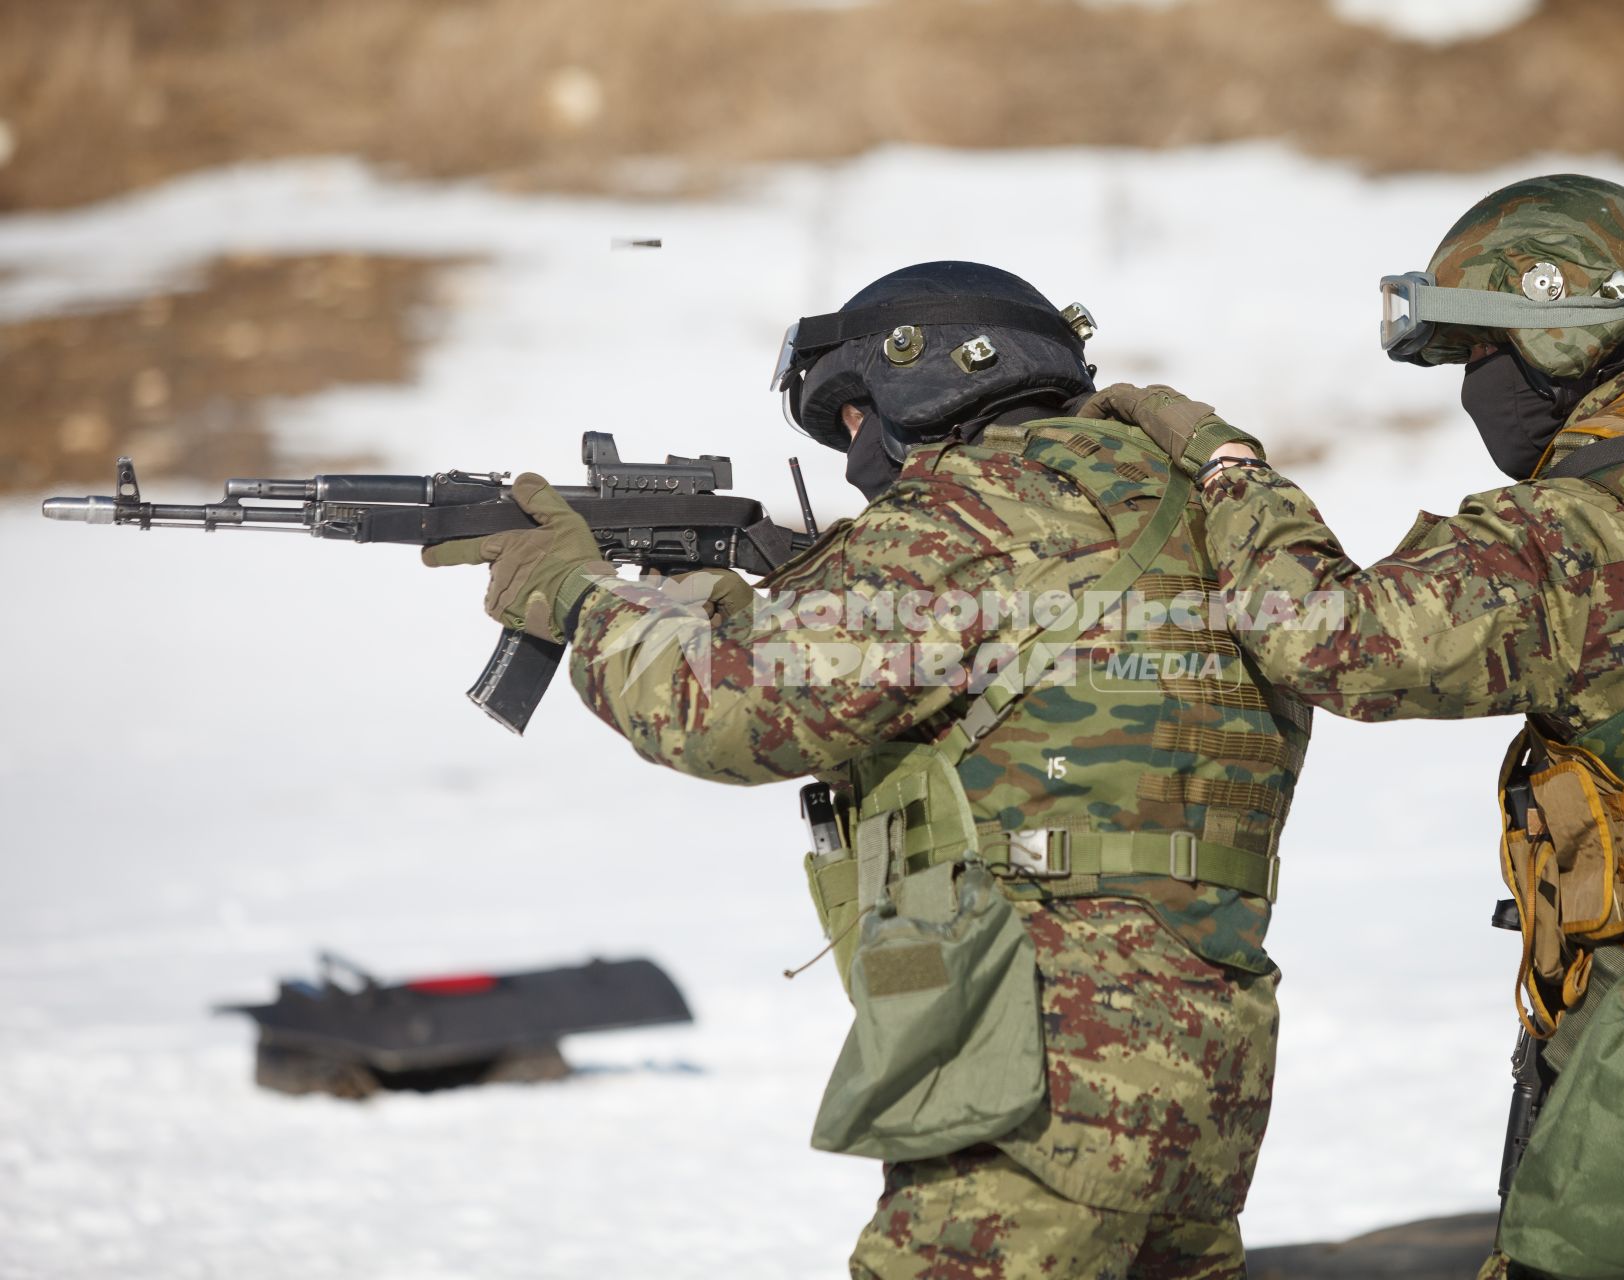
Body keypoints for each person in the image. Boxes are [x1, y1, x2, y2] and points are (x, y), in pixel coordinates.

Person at [423, 261, 1309, 1278]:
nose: (854, 453)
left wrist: (578, 597)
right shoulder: (1207, 509)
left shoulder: (966, 511)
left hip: (1047, 1037)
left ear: (923, 381)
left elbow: (725, 713)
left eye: (853, 417)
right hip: (1215, 1035)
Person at [1104, 176, 1624, 1279]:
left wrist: (1230, 471)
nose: (1476, 387)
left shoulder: (1579, 528)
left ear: (1553, 335)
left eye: (1481, 354)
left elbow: (1335, 638)